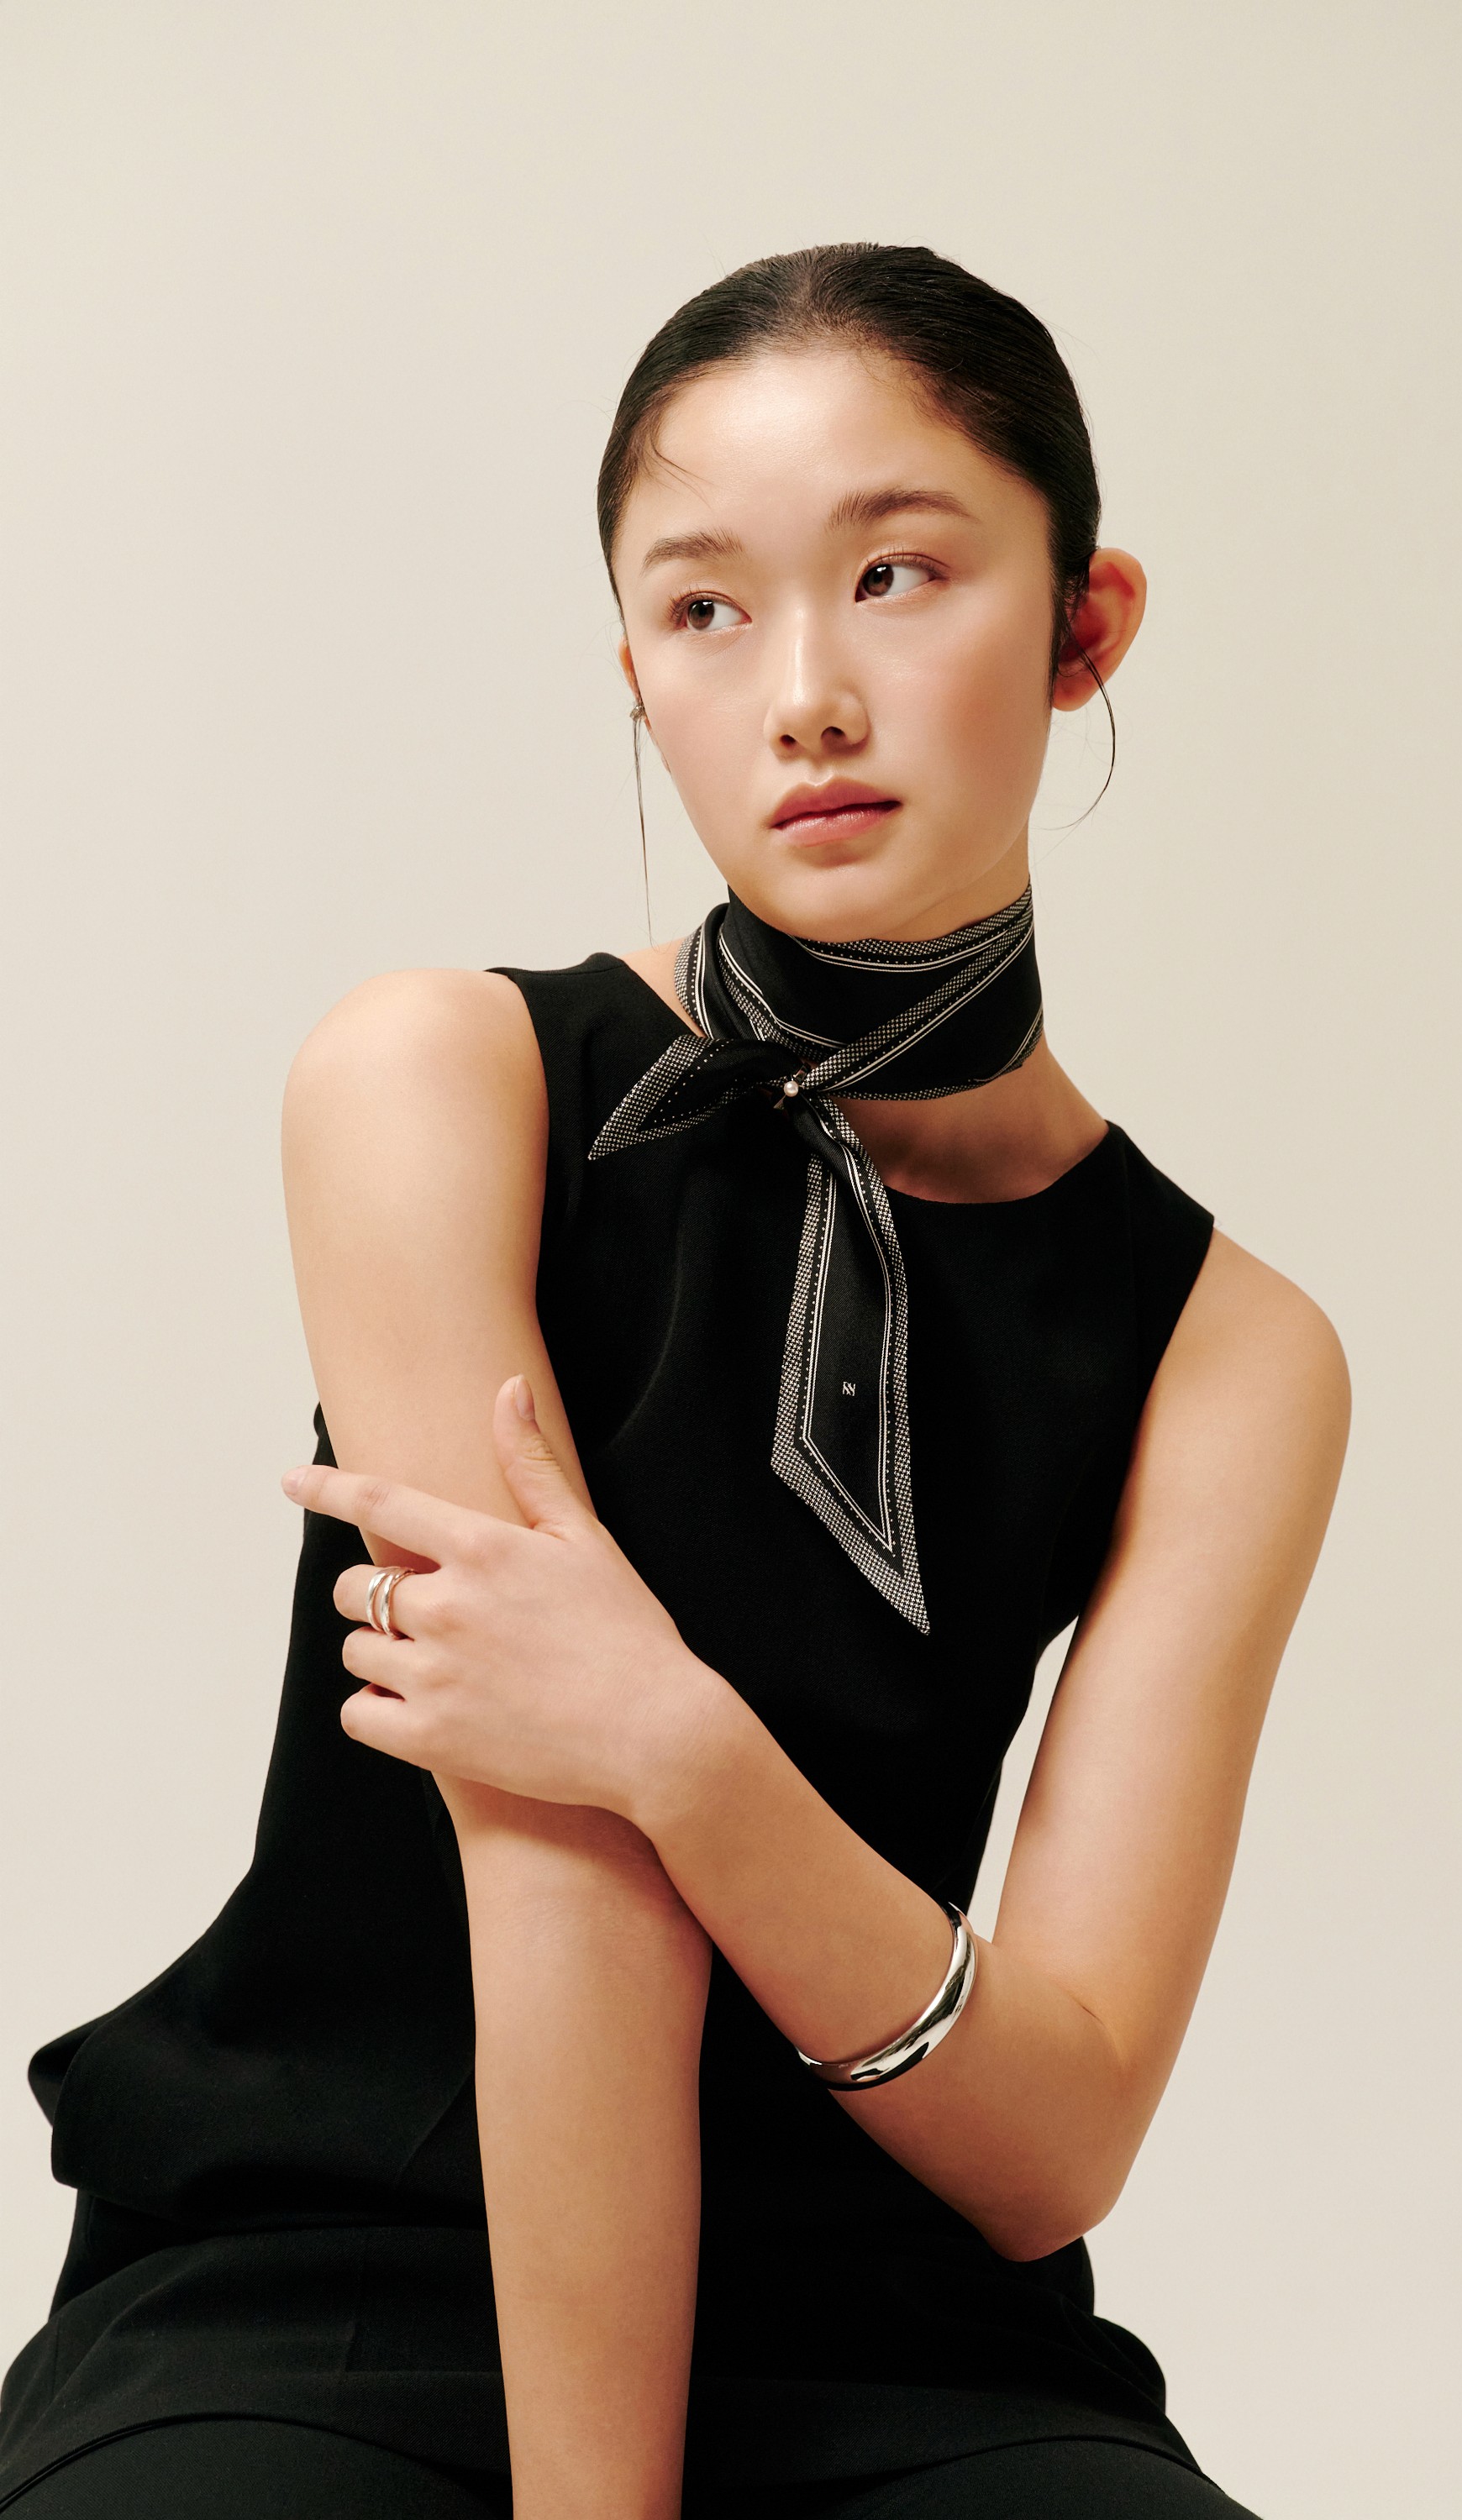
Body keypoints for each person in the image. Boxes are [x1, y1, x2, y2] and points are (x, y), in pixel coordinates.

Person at [0, 244, 1349, 2519]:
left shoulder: (1230, 1348)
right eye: (706, 609)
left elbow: (1051, 2138)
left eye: (898, 574)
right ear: (635, 669)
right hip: (337, 2280)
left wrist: (682, 1747)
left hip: (897, 2336)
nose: (804, 695)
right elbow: (556, 1883)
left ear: (1085, 622)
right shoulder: (443, 1082)